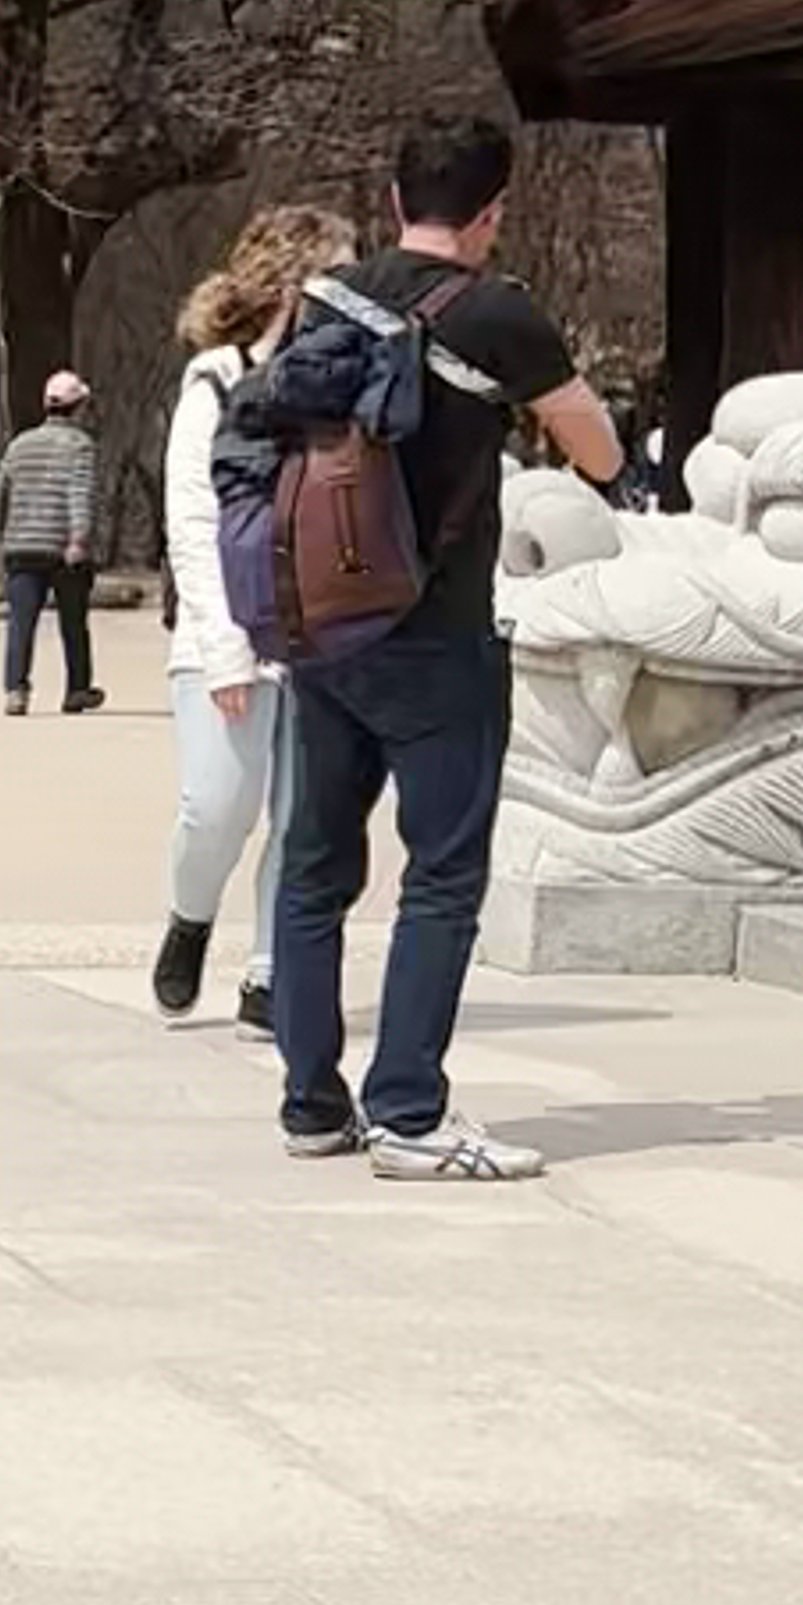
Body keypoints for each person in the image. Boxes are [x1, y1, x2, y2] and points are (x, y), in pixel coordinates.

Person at [263, 111, 622, 1184]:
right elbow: (597, 450)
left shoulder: (322, 296)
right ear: (493, 212)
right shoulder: (500, 313)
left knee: (314, 866)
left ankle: (310, 1102)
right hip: (437, 635)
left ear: (393, 197)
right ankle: (409, 1110)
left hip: (322, 622)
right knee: (442, 874)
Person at [154, 198, 344, 1027]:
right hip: (226, 629)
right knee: (217, 805)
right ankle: (190, 917)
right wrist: (227, 650)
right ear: (292, 283)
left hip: (320, 628)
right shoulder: (217, 381)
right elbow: (193, 526)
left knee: (304, 813)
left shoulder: (346, 382)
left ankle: (272, 970)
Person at [0, 372, 103, 712]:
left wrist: (1, 536)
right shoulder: (80, 446)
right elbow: (79, 494)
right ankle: (77, 689)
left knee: (20, 622)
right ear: (79, 407)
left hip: (21, 546)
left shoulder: (19, 445)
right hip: (61, 548)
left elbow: (0, 494)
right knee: (73, 622)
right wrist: (79, 539)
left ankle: (15, 689)